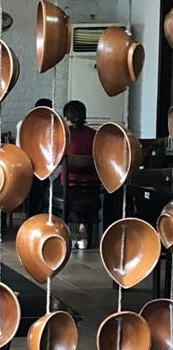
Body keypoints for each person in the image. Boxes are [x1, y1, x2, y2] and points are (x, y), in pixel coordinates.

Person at [60, 99, 99, 248]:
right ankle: (83, 232)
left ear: (66, 118)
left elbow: (55, 161)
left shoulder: (64, 135)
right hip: (92, 188)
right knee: (87, 196)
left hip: (69, 188)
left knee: (48, 194)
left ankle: (63, 231)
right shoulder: (96, 135)